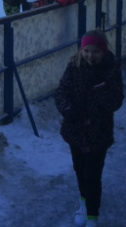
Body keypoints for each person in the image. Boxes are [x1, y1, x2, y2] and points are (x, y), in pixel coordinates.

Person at [55, 31, 123, 227]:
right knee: (79, 169)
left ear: (104, 51)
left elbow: (117, 100)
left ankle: (92, 214)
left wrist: (101, 90)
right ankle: (83, 203)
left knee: (93, 174)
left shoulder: (110, 70)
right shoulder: (73, 67)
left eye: (95, 52)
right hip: (75, 130)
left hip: (98, 132)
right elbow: (61, 92)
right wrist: (68, 110)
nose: (90, 56)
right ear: (81, 50)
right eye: (86, 51)